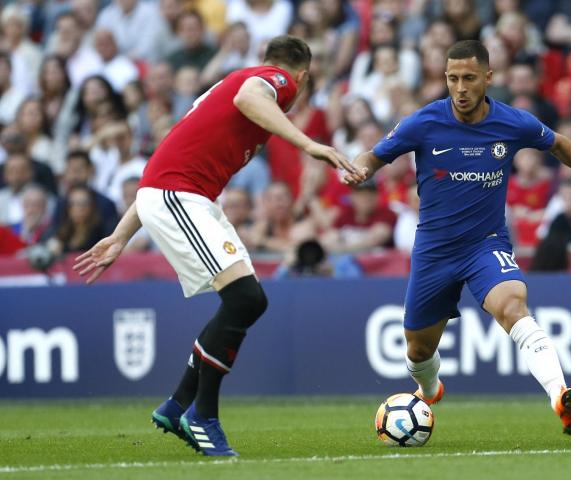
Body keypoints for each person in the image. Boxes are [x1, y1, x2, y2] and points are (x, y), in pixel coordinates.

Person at [73, 35, 363, 456]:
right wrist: (308, 144)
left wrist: (121, 235)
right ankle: (202, 415)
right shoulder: (271, 80)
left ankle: (177, 405)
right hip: (179, 195)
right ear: (301, 76)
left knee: (249, 301)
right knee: (244, 297)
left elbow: (171, 154)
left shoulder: (229, 86)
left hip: (181, 195)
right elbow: (250, 97)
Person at [342, 40, 571, 435]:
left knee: (514, 308)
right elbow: (376, 154)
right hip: (435, 251)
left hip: (485, 245)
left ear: (488, 78)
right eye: (452, 78)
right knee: (418, 350)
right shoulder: (424, 122)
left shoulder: (512, 122)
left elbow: (559, 144)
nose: (460, 87)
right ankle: (429, 387)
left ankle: (561, 396)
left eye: (469, 78)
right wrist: (362, 169)